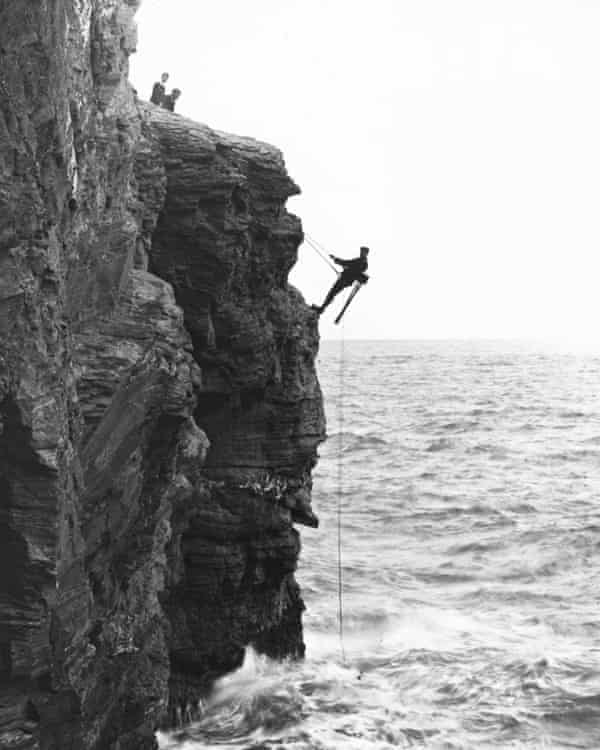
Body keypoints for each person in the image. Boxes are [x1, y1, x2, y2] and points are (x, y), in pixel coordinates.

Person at [313, 246, 369, 315]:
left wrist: (335, 259)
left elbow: (347, 263)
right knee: (332, 293)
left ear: (366, 253)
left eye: (363, 252)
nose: (361, 253)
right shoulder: (363, 262)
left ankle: (321, 309)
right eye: (361, 251)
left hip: (344, 280)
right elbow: (351, 267)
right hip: (346, 280)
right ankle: (321, 308)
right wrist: (344, 265)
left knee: (332, 293)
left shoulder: (361, 261)